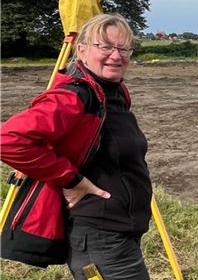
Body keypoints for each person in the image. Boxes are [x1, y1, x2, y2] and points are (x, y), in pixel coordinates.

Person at [0, 14, 152, 279]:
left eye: (123, 48)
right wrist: (71, 179)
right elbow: (8, 140)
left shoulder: (112, 93)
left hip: (122, 234)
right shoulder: (75, 96)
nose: (115, 56)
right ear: (81, 50)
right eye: (104, 46)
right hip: (100, 240)